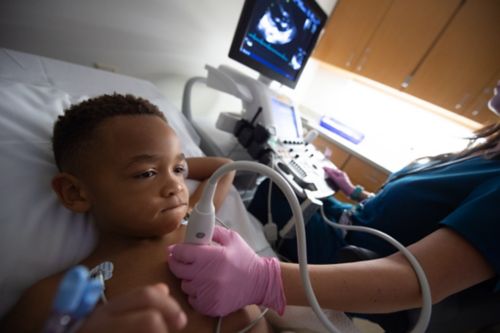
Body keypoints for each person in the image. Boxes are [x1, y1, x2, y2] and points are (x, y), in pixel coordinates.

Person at [168, 82, 500, 330]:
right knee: (281, 187)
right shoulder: (486, 154)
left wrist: (262, 279)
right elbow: (428, 219)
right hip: (347, 217)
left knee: (273, 189)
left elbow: (420, 279)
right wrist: (356, 192)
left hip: (350, 256)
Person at [0, 94, 272, 333]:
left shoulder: (192, 216)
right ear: (75, 192)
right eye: (145, 174)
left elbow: (223, 168)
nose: (176, 187)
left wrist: (163, 162)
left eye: (179, 171)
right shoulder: (65, 293)